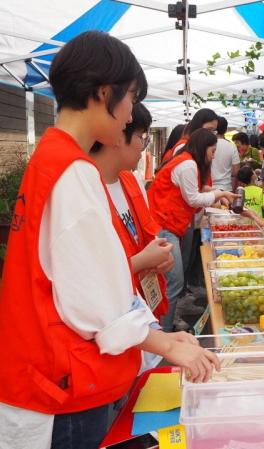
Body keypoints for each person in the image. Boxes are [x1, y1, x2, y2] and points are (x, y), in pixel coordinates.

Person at [0, 31, 219, 449]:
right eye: (130, 98)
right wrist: (167, 345)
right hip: (61, 386)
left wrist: (163, 339)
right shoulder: (72, 169)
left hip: (48, 377)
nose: (129, 114)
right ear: (104, 92)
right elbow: (95, 300)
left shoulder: (52, 158)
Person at [148, 129, 237, 331]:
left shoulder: (188, 162)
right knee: (174, 281)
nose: (214, 156)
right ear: (203, 147)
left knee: (172, 281)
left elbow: (195, 191)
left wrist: (217, 193)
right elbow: (193, 198)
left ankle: (165, 324)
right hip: (164, 225)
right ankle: (164, 330)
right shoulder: (188, 164)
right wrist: (218, 193)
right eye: (213, 151)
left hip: (168, 225)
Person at [90, 103, 172, 321]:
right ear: (117, 134)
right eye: (141, 137)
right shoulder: (86, 188)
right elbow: (86, 275)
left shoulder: (131, 180)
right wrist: (142, 261)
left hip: (141, 306)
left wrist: (158, 257)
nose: (143, 147)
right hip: (112, 315)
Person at [211, 116, 240, 192]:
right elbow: (236, 171)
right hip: (226, 188)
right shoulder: (232, 146)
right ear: (226, 130)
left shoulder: (208, 145)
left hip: (210, 188)